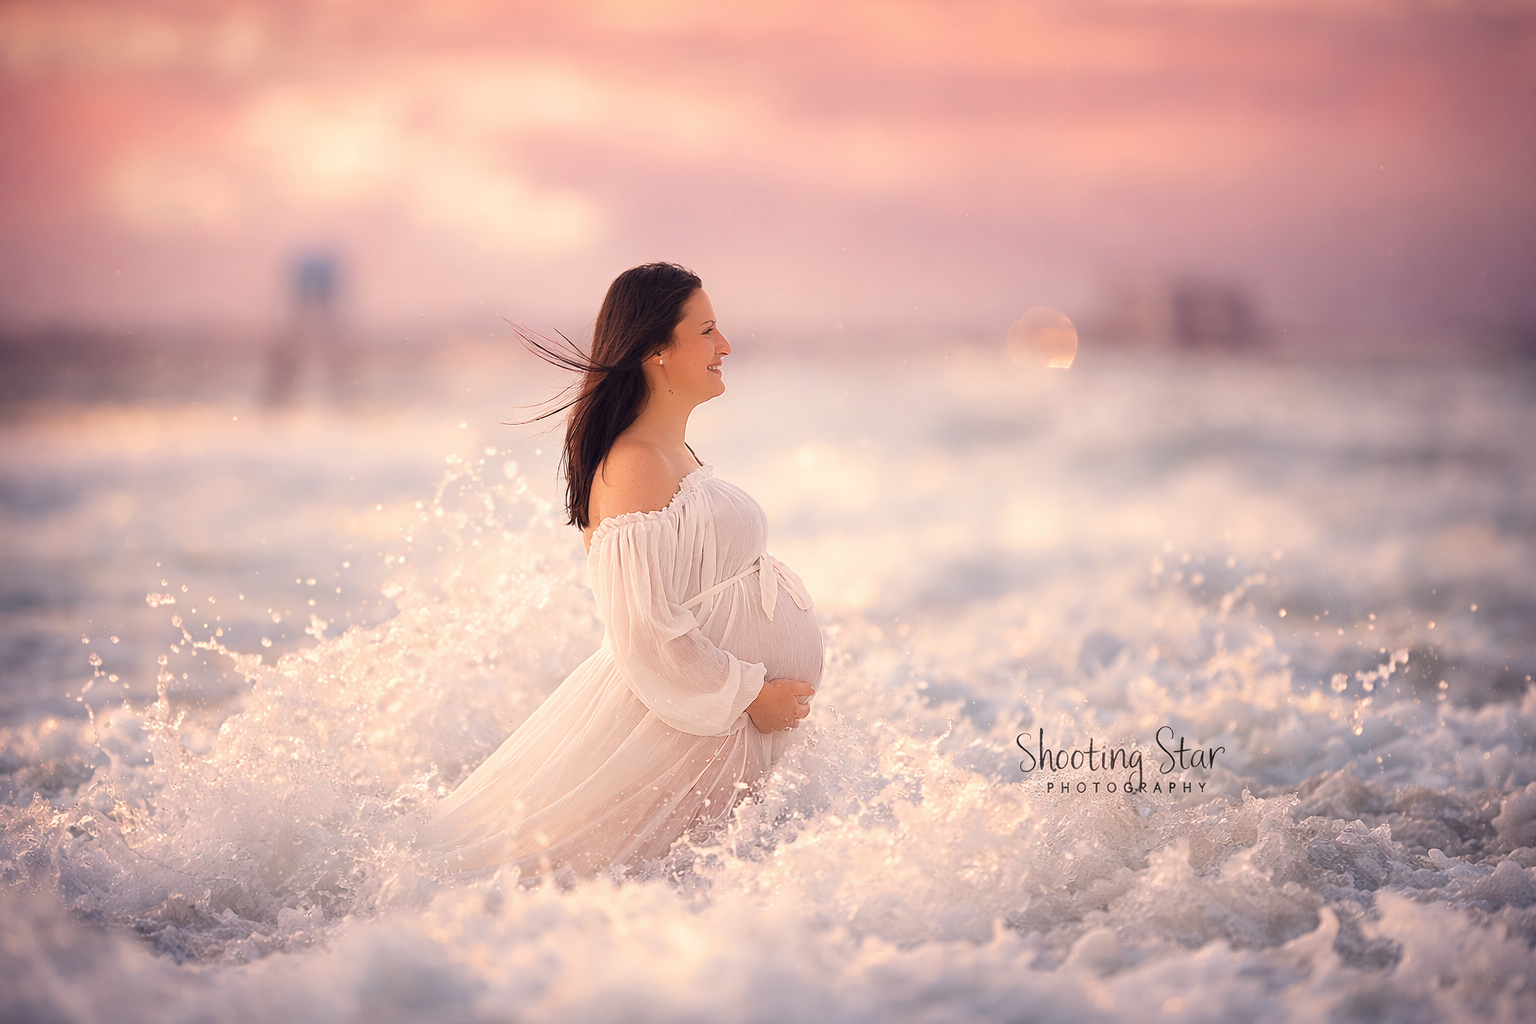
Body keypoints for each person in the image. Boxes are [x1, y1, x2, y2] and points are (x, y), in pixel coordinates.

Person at [416, 263, 821, 879]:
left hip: (705, 730)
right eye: (707, 331)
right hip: (679, 732)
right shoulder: (634, 462)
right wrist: (751, 697)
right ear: (657, 349)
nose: (725, 347)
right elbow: (641, 628)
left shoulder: (670, 454)